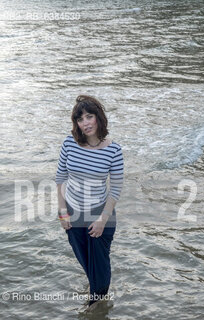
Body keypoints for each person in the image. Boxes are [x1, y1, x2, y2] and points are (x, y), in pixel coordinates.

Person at [55, 95, 124, 308]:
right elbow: (60, 178)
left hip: (101, 213)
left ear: (98, 118)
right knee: (86, 264)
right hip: (73, 213)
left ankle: (94, 309)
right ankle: (96, 303)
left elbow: (116, 189)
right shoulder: (69, 143)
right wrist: (63, 212)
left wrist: (102, 220)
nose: (85, 123)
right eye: (80, 119)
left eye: (89, 116)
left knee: (100, 273)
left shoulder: (113, 150)